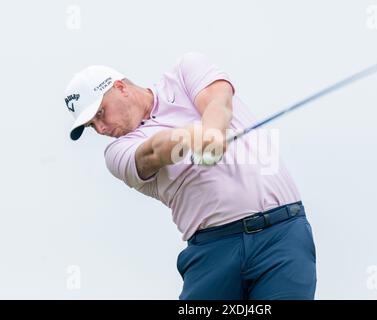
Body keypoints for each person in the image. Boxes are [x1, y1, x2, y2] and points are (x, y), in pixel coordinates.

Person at [64, 52, 317, 299]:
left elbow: (219, 100)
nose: (101, 128)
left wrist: (213, 130)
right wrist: (193, 137)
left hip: (282, 237)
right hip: (213, 252)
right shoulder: (116, 152)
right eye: (91, 126)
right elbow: (152, 153)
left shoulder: (185, 71)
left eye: (100, 114)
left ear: (120, 88)